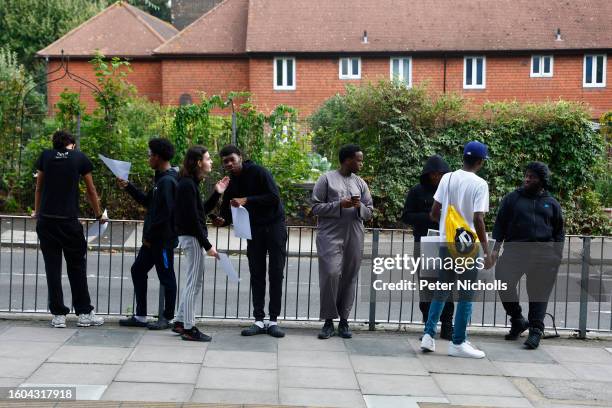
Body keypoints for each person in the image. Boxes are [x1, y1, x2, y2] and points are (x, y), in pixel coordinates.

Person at [420, 141, 493, 358]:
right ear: (480, 162)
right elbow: (478, 219)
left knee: (442, 289)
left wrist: (446, 221)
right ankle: (458, 342)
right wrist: (487, 250)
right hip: (468, 245)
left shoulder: (447, 178)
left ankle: (428, 335)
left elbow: (434, 212)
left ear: (464, 157)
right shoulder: (480, 184)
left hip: (446, 241)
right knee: (465, 294)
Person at [211, 145, 287, 338]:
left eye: (232, 159)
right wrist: (222, 221)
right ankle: (259, 320)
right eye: (225, 161)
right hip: (253, 229)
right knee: (256, 272)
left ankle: (274, 321)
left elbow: (273, 197)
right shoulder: (230, 182)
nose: (229, 163)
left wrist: (247, 200)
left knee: (276, 271)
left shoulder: (259, 172)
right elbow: (228, 212)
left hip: (274, 225)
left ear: (241, 158)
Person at [33, 130, 105, 328]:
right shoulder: (79, 158)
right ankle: (83, 313)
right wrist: (99, 214)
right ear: (71, 144)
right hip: (68, 222)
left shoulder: (45, 156)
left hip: (47, 222)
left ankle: (58, 315)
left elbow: (39, 187)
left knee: (52, 268)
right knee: (77, 267)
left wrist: (37, 212)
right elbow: (91, 190)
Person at [492, 162, 564, 349]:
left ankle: (535, 331)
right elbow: (500, 225)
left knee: (538, 294)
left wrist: (557, 256)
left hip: (544, 255)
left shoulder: (552, 203)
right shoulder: (512, 199)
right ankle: (517, 318)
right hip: (515, 251)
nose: (527, 179)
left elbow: (559, 231)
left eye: (531, 177)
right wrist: (494, 250)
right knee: (503, 281)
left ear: (541, 180)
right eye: (526, 175)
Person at [311, 144, 374, 339]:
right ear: (347, 160)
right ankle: (329, 321)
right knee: (330, 274)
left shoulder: (361, 183)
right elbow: (315, 207)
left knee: (349, 276)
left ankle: (344, 321)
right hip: (330, 234)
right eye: (359, 160)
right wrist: (340, 205)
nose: (361, 164)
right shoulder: (326, 179)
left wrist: (359, 206)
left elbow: (370, 212)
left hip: (354, 233)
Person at [118, 138, 178, 330]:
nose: (148, 158)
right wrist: (128, 187)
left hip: (161, 241)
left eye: (149, 155)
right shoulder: (160, 179)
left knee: (167, 277)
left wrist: (150, 237)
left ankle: (167, 317)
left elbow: (166, 214)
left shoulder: (168, 181)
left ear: (158, 157)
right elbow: (148, 203)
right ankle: (141, 315)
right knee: (138, 270)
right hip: (152, 241)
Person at [172, 146, 229, 341]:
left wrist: (216, 193)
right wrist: (207, 245)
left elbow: (200, 212)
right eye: (208, 158)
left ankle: (180, 321)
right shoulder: (187, 185)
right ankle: (189, 327)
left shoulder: (190, 184)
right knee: (193, 284)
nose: (211, 161)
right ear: (198, 162)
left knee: (192, 282)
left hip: (191, 237)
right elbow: (193, 221)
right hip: (192, 238)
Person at [401, 155, 454, 339]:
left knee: (448, 287)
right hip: (423, 243)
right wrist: (429, 216)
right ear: (428, 174)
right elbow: (406, 216)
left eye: (441, 174)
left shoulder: (451, 192)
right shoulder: (417, 191)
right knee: (426, 287)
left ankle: (448, 325)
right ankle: (427, 326)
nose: (437, 177)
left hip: (446, 243)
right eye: (434, 174)